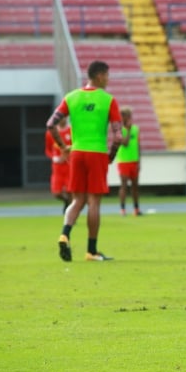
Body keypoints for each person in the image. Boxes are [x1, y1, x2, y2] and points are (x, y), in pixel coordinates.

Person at [46, 60, 122, 262]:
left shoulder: (71, 97)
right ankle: (91, 250)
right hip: (96, 153)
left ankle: (65, 234)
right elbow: (118, 136)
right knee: (93, 202)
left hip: (77, 153)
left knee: (77, 200)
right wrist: (111, 157)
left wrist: (63, 147)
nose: (108, 79)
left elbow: (51, 124)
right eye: (107, 75)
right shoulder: (108, 100)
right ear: (99, 76)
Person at [116, 107, 142, 216]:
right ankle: (122, 209)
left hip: (134, 160)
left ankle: (136, 209)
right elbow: (125, 143)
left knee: (135, 186)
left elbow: (138, 145)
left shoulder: (136, 129)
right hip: (123, 160)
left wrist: (139, 160)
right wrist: (128, 130)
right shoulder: (119, 130)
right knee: (124, 185)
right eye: (126, 115)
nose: (129, 118)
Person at [44, 118, 72, 214]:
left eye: (63, 117)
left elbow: (76, 146)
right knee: (56, 193)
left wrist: (67, 155)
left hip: (69, 166)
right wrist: (54, 157)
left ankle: (69, 214)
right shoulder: (50, 133)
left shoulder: (71, 131)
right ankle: (66, 201)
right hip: (57, 168)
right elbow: (48, 150)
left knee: (70, 191)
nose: (61, 120)